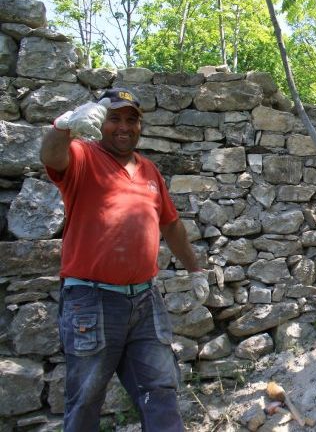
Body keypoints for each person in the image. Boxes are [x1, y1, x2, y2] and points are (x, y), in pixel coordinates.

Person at [40, 88, 209, 431]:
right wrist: (63, 125)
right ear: (101, 122)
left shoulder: (148, 171)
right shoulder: (82, 156)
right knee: (85, 400)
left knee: (160, 392)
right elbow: (51, 156)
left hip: (145, 301)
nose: (124, 127)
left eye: (131, 120)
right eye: (114, 118)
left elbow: (171, 224)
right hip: (91, 300)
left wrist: (195, 270)